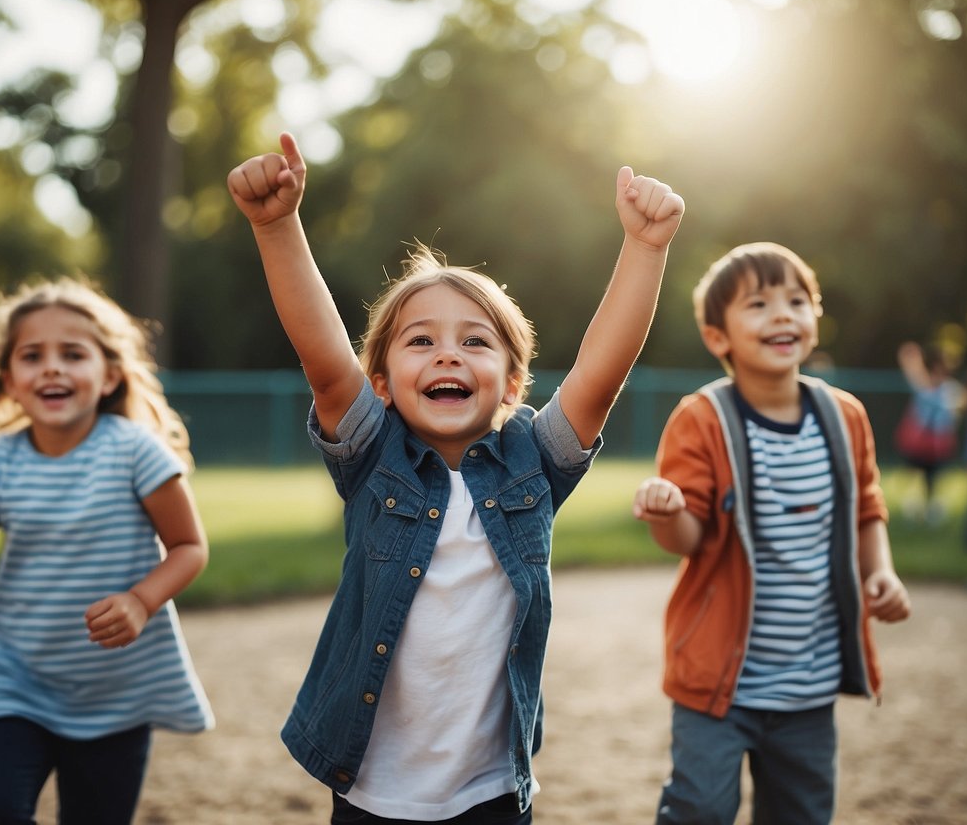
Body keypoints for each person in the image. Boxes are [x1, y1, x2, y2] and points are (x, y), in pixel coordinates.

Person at [227, 132, 684, 823]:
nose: (448, 355)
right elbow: (323, 358)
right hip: (368, 783)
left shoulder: (533, 460)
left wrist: (645, 248)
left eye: (475, 342)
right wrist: (276, 225)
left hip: (489, 790)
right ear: (379, 383)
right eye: (420, 341)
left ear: (510, 385)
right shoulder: (371, 455)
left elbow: (599, 375)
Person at [0, 278, 214, 824]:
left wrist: (141, 601)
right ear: (9, 381)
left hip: (116, 692)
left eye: (73, 354)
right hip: (15, 682)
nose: (52, 368)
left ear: (110, 374)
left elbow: (189, 546)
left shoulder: (136, 450)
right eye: (32, 356)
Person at [632, 242, 911, 825]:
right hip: (719, 682)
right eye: (759, 304)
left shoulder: (846, 417)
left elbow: (865, 508)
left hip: (809, 680)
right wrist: (668, 512)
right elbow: (688, 538)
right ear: (718, 338)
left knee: (801, 813)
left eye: (797, 301)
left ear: (814, 320)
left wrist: (880, 571)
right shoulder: (703, 419)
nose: (784, 315)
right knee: (700, 808)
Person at [894, 340, 964, 523]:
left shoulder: (951, 391)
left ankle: (931, 509)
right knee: (913, 474)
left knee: (933, 478)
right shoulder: (924, 388)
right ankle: (913, 505)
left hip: (937, 444)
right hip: (920, 442)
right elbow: (914, 374)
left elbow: (952, 417)